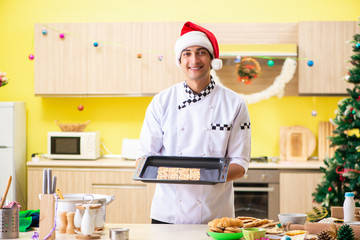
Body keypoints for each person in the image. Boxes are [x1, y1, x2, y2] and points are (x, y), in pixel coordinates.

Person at [137, 21, 251, 224]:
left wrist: (204, 175)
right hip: (168, 214)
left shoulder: (235, 104)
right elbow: (144, 159)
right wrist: (190, 174)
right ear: (180, 61)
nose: (194, 60)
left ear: (212, 60)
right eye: (187, 53)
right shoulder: (162, 101)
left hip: (215, 216)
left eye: (201, 52)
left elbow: (240, 163)